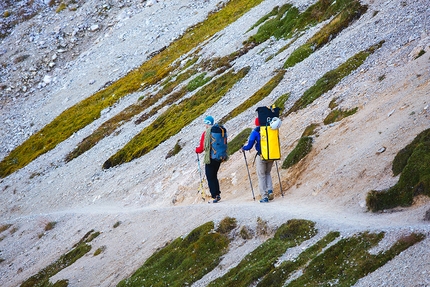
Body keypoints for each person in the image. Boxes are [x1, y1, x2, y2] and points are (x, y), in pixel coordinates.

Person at [242, 117, 274, 203]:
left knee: (261, 175)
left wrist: (243, 148)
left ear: (256, 123)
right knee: (268, 173)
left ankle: (264, 196)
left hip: (261, 156)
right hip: (271, 155)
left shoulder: (255, 132)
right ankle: (270, 190)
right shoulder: (270, 129)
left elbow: (249, 146)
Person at [195, 115, 223, 203]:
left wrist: (196, 150)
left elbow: (202, 148)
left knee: (210, 177)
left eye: (205, 123)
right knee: (214, 176)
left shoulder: (206, 133)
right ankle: (217, 194)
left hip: (210, 158)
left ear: (207, 123)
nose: (204, 125)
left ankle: (215, 196)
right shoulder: (218, 131)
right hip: (219, 157)